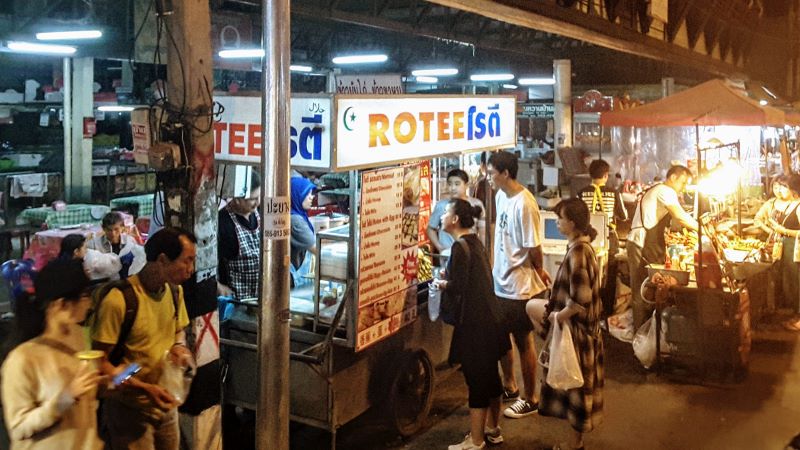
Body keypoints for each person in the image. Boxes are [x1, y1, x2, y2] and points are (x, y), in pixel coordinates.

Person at [90, 227, 195, 450]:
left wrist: (179, 346)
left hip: (166, 407)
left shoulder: (175, 293)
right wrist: (145, 388)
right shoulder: (119, 300)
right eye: (186, 261)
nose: (191, 270)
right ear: (163, 260)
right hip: (129, 412)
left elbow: (178, 330)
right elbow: (101, 364)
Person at [2, 259, 105, 450]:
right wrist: (66, 398)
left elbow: (86, 399)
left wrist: (110, 381)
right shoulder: (22, 359)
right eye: (85, 296)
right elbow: (18, 428)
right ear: (61, 304)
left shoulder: (78, 335)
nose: (90, 303)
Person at [527, 198, 604, 450]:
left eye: (560, 218)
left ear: (571, 223)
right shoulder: (581, 248)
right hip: (582, 332)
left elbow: (578, 302)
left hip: (578, 334)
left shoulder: (579, 253)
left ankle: (574, 445)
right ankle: (575, 442)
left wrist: (556, 318)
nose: (557, 222)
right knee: (575, 387)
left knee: (576, 390)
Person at [434, 199, 510, 450]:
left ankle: (476, 441)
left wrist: (441, 284)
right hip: (492, 321)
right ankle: (492, 429)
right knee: (491, 379)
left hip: (476, 326)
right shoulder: (474, 242)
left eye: (446, 212)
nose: (442, 216)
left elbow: (460, 286)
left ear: (455, 220)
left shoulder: (460, 247)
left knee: (477, 381)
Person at [487, 151, 551, 419]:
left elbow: (533, 247)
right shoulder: (501, 195)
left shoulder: (525, 204)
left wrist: (539, 270)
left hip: (521, 285)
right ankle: (510, 386)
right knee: (501, 338)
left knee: (523, 340)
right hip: (500, 282)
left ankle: (530, 397)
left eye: (491, 173)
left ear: (505, 173)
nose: (488, 178)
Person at [627, 165, 698, 330]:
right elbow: (679, 216)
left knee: (651, 288)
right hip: (641, 243)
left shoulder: (661, 191)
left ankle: (651, 331)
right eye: (683, 183)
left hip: (647, 243)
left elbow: (675, 222)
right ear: (673, 177)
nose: (683, 188)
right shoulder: (665, 191)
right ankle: (640, 336)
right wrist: (701, 228)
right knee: (641, 291)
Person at [577, 159, 628, 315]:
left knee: (586, 273)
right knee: (609, 274)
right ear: (606, 175)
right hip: (609, 238)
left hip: (587, 239)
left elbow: (577, 215)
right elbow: (624, 215)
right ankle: (605, 311)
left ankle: (585, 308)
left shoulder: (581, 193)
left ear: (590, 175)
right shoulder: (614, 193)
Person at [218, 170, 261, 300]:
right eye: (253, 199)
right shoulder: (222, 221)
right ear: (236, 199)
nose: (257, 202)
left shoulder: (261, 215)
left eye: (259, 197)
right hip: (237, 302)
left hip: (261, 297)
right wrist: (218, 286)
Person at [764, 175, 800, 331]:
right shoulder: (790, 205)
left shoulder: (799, 206)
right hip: (786, 247)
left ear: (794, 190)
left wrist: (783, 230)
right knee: (789, 282)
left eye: (785, 187)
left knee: (797, 282)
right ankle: (795, 314)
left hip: (795, 248)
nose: (781, 190)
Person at [427, 169, 485, 255]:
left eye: (457, 184)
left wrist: (482, 250)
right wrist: (439, 247)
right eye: (450, 184)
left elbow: (483, 231)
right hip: (447, 254)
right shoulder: (441, 205)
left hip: (469, 252)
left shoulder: (476, 204)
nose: (453, 188)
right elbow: (431, 228)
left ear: (466, 185)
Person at [86, 212, 145, 281]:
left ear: (123, 227)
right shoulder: (93, 244)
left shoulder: (130, 242)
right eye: (109, 230)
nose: (113, 233)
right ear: (103, 228)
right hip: (103, 282)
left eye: (116, 229)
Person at [290, 176, 317, 287]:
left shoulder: (299, 215)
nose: (312, 197)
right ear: (297, 195)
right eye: (307, 194)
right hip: (294, 280)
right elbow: (316, 249)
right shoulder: (295, 220)